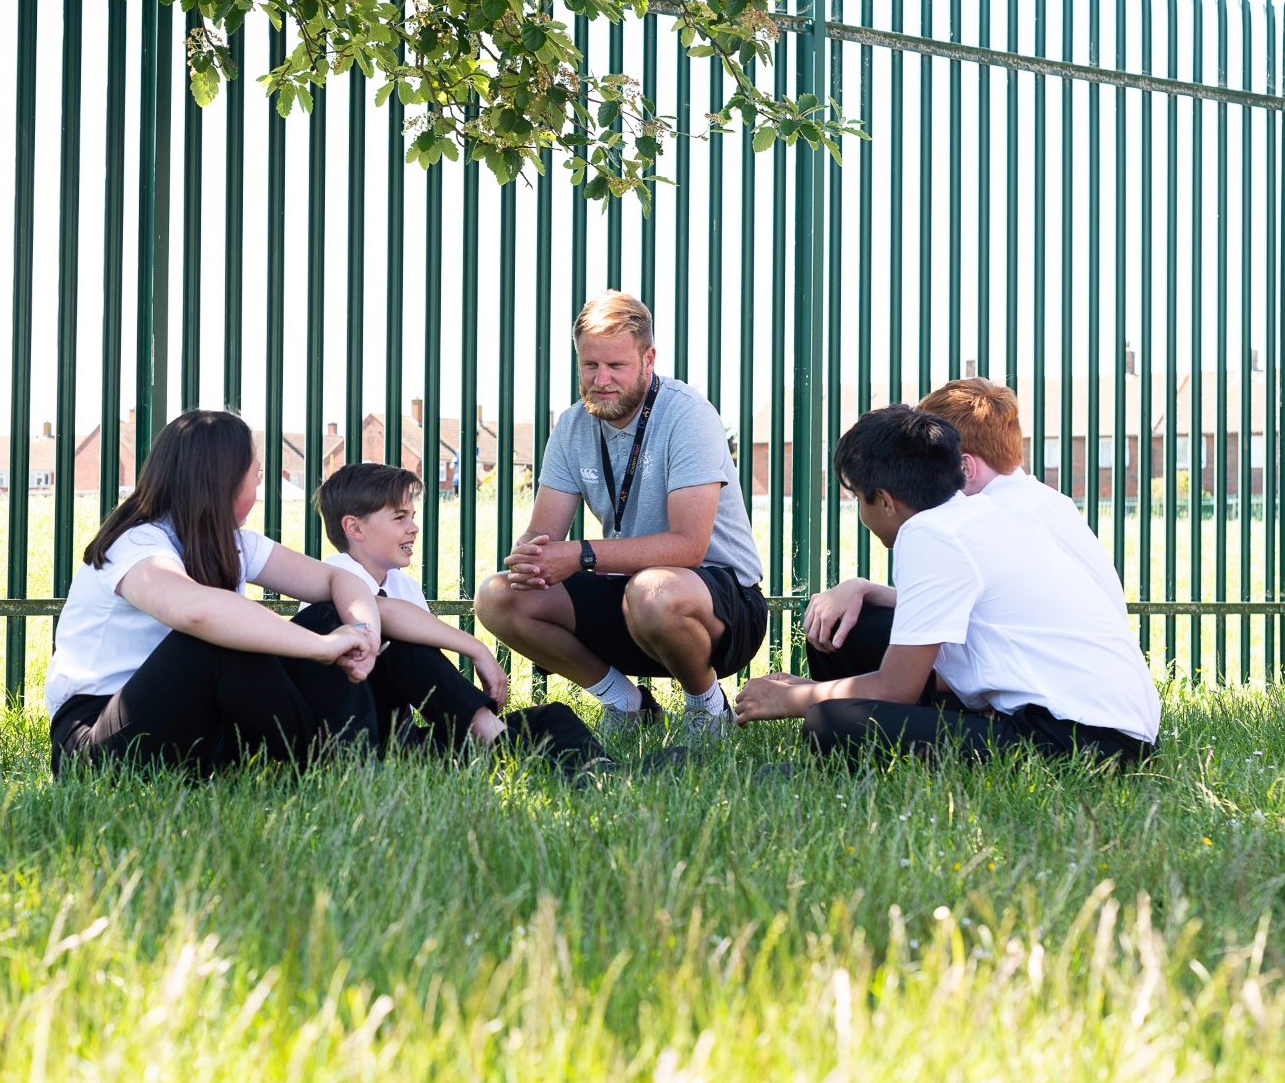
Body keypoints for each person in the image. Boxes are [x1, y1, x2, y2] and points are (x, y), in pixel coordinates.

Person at [734, 406, 1160, 765]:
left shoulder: (930, 534)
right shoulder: (977, 515)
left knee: (830, 723)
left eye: (856, 499)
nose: (861, 515)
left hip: (1085, 743)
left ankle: (845, 752)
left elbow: (896, 688)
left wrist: (792, 699)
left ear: (884, 500)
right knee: (853, 633)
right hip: (1105, 725)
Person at [475, 291, 768, 736]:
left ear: (648, 359)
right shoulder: (572, 424)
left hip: (720, 604)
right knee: (497, 596)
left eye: (616, 366)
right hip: (631, 594)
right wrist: (531, 556)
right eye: (590, 365)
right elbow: (543, 532)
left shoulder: (687, 414)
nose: (601, 380)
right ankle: (627, 705)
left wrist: (578, 555)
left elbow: (688, 547)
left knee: (653, 592)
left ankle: (708, 709)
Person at [45, 409, 383, 776]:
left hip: (191, 726)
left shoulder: (233, 544)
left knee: (326, 616)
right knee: (217, 638)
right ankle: (317, 765)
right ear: (223, 482)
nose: (259, 488)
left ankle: (353, 767)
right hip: (96, 741)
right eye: (256, 477)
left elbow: (340, 580)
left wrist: (361, 633)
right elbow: (196, 611)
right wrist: (321, 647)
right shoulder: (137, 542)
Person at [801, 376, 1127, 668]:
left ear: (964, 467)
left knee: (858, 633)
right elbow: (973, 601)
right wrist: (862, 588)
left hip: (1046, 677)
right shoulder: (1040, 499)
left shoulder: (1003, 515)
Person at [307, 462, 609, 774]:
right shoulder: (335, 575)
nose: (414, 527)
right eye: (399, 517)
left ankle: (600, 772)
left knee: (550, 718)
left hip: (403, 738)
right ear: (354, 528)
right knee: (394, 635)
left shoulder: (403, 585)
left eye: (412, 516)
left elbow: (426, 679)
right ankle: (520, 758)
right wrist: (477, 649)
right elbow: (386, 621)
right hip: (360, 742)